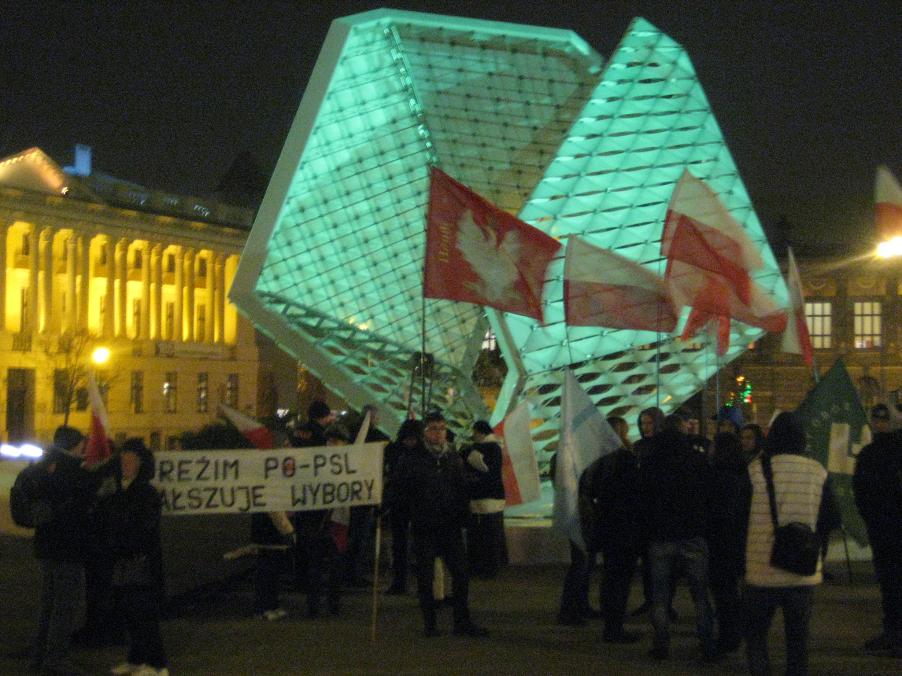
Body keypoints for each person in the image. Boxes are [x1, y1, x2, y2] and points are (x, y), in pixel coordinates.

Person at [743, 411, 841, 675]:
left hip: (760, 569)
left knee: (756, 638)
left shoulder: (754, 470)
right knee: (798, 643)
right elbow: (832, 517)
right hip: (802, 571)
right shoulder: (818, 471)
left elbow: (739, 518)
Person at [388, 411, 487, 637]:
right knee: (425, 576)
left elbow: (461, 487)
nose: (439, 433)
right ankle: (430, 623)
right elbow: (399, 489)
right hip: (425, 525)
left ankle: (461, 621)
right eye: (434, 429)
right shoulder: (412, 459)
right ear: (425, 432)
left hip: (450, 524)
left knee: (461, 574)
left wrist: (464, 513)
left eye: (442, 428)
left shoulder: (452, 457)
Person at [638, 417, 716, 661]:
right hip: (692, 532)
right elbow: (707, 495)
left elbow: (644, 498)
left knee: (660, 594)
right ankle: (706, 642)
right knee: (700, 593)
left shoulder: (651, 462)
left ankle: (661, 644)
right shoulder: (697, 460)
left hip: (661, 535)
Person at [29, 425, 103, 675]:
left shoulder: (45, 466)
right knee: (64, 606)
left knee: (48, 604)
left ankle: (39, 656)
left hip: (47, 545)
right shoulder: (71, 470)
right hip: (67, 547)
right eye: (81, 443)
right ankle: (55, 659)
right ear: (74, 445)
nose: (84, 447)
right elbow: (87, 494)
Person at [106, 439, 169, 676]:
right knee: (130, 613)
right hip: (125, 560)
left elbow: (142, 528)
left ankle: (158, 665)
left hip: (140, 562)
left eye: (130, 461)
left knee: (144, 615)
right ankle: (136, 660)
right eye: (123, 461)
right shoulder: (122, 488)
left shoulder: (145, 492)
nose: (125, 465)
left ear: (140, 464)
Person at [586, 416, 642, 643]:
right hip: (624, 527)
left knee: (610, 577)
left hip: (606, 525)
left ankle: (611, 624)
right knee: (620, 579)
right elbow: (634, 494)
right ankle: (615, 628)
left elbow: (592, 490)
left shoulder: (597, 460)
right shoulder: (624, 459)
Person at [853, 403, 902, 658]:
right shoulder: (869, 453)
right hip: (882, 529)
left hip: (888, 528)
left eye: (884, 420)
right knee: (889, 583)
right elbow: (860, 490)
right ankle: (892, 631)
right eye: (876, 420)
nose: (880, 425)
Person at [297, 423, 350, 618]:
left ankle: (333, 604)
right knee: (316, 565)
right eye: (329, 440)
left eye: (335, 441)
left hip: (338, 522)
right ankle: (314, 605)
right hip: (318, 520)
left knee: (335, 566)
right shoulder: (316, 463)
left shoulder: (351, 465)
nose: (331, 444)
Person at [707, 432, 750, 657]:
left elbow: (715, 511)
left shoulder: (717, 475)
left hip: (721, 542)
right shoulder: (745, 473)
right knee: (733, 592)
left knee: (724, 594)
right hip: (740, 540)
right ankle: (735, 632)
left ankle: (728, 637)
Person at [383, 419, 423, 595]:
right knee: (400, 544)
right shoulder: (419, 453)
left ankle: (408, 582)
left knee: (415, 545)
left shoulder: (395, 451)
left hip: (411, 502)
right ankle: (400, 582)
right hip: (403, 502)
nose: (410, 443)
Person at [462, 420, 507, 579]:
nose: (473, 436)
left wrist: (468, 454)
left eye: (474, 432)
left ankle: (482, 566)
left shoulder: (485, 449)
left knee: (482, 535)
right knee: (492, 533)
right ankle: (491, 566)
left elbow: (483, 466)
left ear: (480, 432)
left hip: (484, 497)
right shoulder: (495, 447)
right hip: (493, 498)